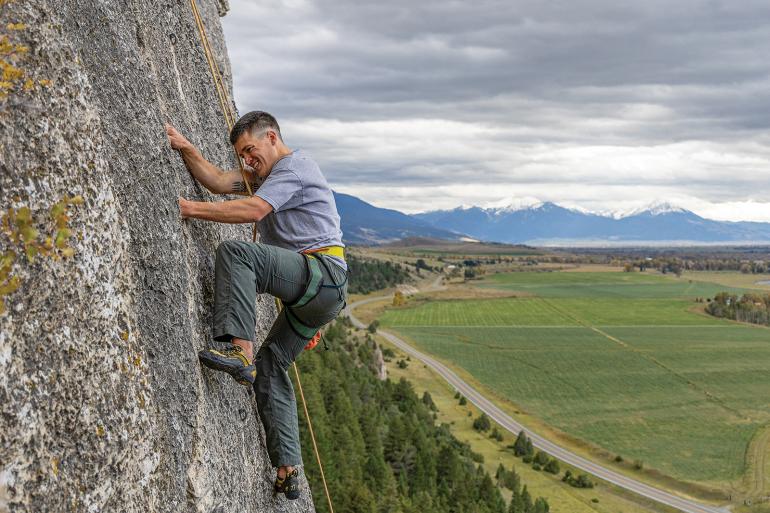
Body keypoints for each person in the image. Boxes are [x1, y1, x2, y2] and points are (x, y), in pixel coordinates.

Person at [166, 111, 348, 500]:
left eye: (250, 150)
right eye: (242, 155)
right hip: (321, 292)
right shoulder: (265, 177)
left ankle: (238, 350)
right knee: (273, 365)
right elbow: (216, 180)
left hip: (320, 273)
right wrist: (186, 148)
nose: (247, 161)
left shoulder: (294, 168)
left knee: (238, 254)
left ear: (271, 137)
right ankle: (288, 467)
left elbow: (253, 211)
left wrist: (189, 209)